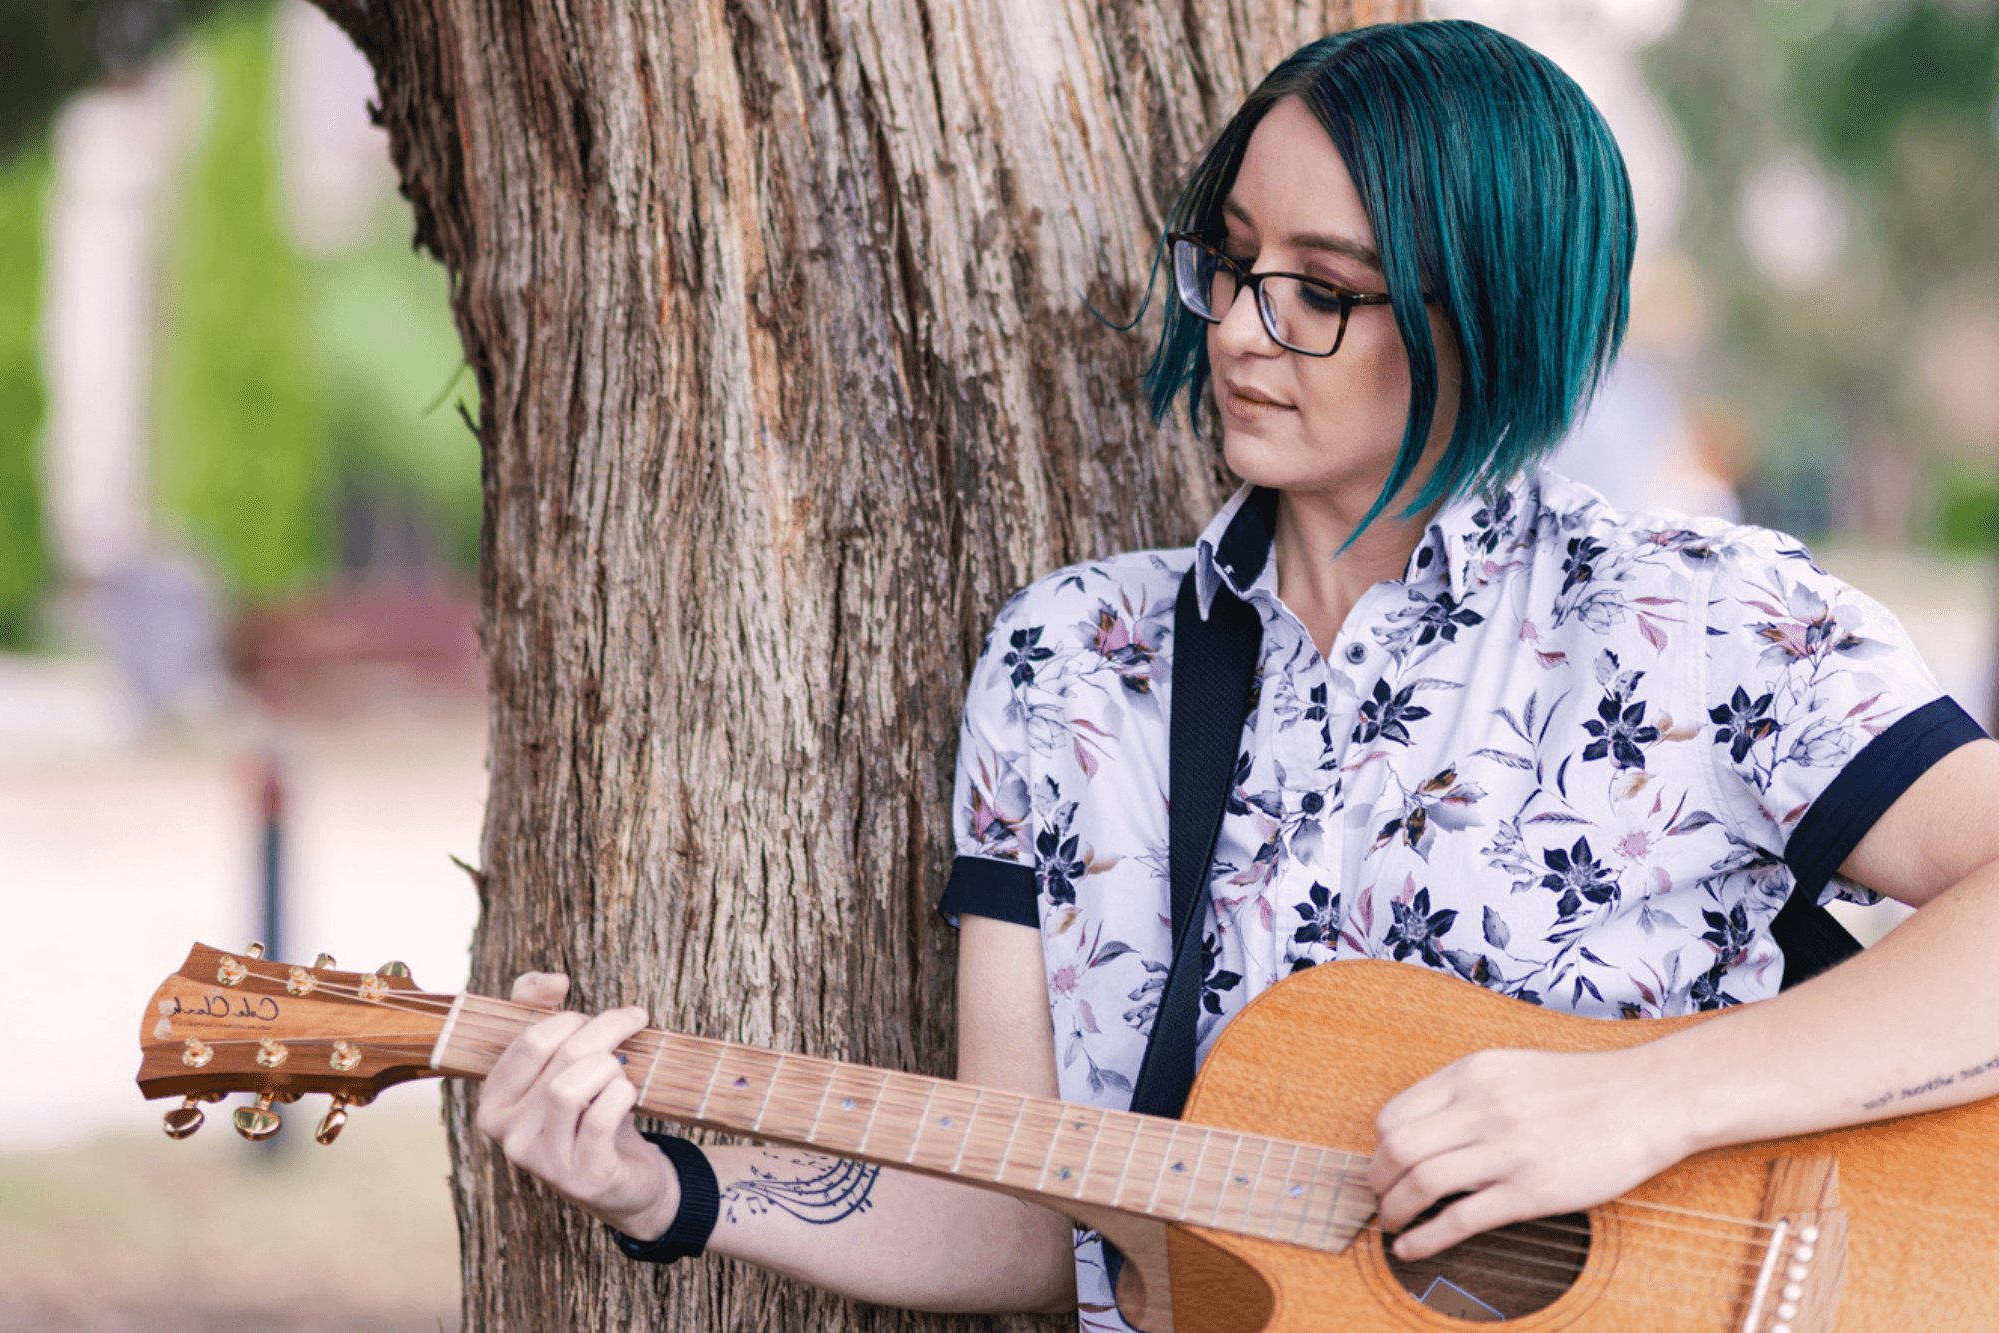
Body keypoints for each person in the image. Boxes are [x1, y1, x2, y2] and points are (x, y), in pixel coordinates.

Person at [472, 19, 1999, 1331]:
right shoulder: (1071, 667)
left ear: (1494, 314)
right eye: (1234, 261)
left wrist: (1645, 1102)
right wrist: (656, 1182)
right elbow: (1030, 1207)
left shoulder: (1699, 621)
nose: (1244, 331)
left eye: (1323, 288)